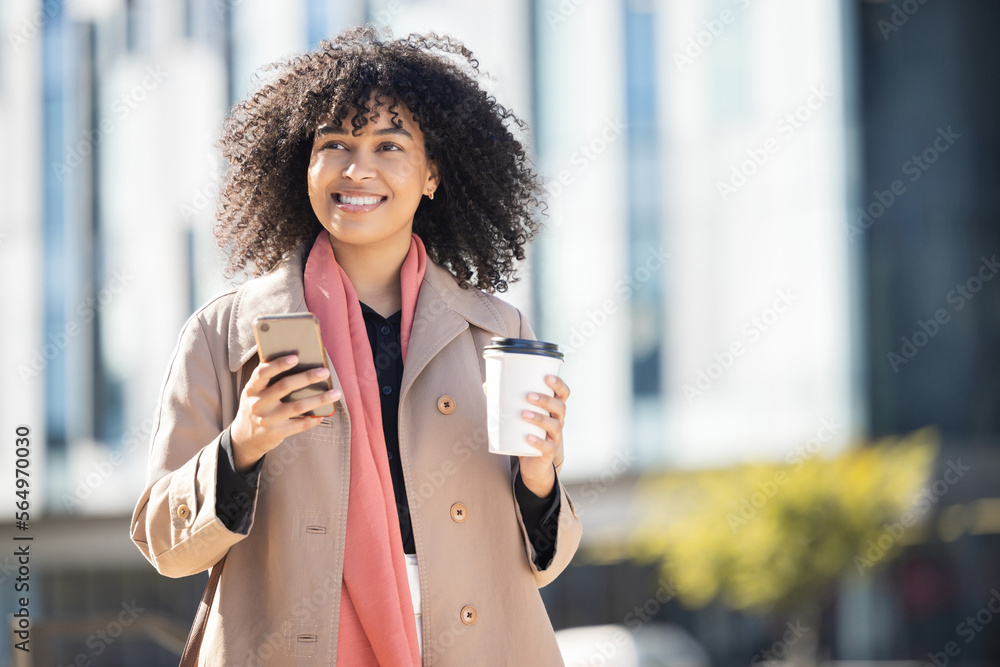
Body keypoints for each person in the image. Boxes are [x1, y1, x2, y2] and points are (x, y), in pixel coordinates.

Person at [129, 24, 582, 666]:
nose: (356, 168)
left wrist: (541, 478)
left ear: (431, 174)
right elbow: (163, 543)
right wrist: (244, 443)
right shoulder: (224, 334)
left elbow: (545, 563)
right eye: (334, 144)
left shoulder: (498, 331)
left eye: (388, 145)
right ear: (303, 166)